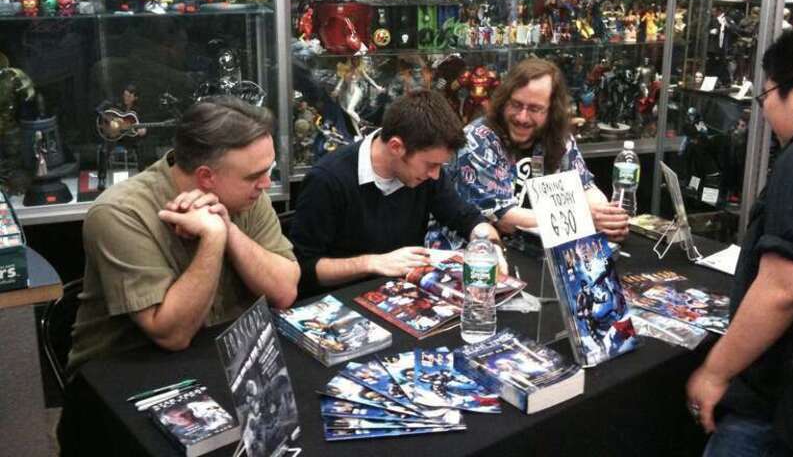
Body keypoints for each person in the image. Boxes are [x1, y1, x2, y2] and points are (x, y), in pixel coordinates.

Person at [66, 96, 300, 376]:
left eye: (268, 170)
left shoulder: (248, 194)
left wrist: (228, 229)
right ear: (206, 176)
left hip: (225, 355)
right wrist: (213, 238)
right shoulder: (120, 213)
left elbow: (284, 291)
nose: (266, 184)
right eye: (254, 176)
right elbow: (172, 336)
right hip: (127, 369)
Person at [687, 30, 793, 456]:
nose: (765, 109)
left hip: (769, 402)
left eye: (765, 95)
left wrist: (715, 371)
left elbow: (784, 288)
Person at [290, 89, 501, 294]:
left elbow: (465, 218)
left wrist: (490, 247)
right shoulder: (328, 180)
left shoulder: (425, 174)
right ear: (396, 147)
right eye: (431, 165)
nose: (435, 175)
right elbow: (304, 268)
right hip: (343, 297)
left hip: (403, 292)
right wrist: (372, 263)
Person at [426, 57, 629, 250]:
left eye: (534, 109)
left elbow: (585, 187)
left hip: (538, 248)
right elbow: (505, 219)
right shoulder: (478, 139)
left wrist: (608, 218)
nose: (522, 117)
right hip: (471, 253)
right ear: (503, 101)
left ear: (552, 111)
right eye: (516, 104)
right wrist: (582, 216)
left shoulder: (558, 137)